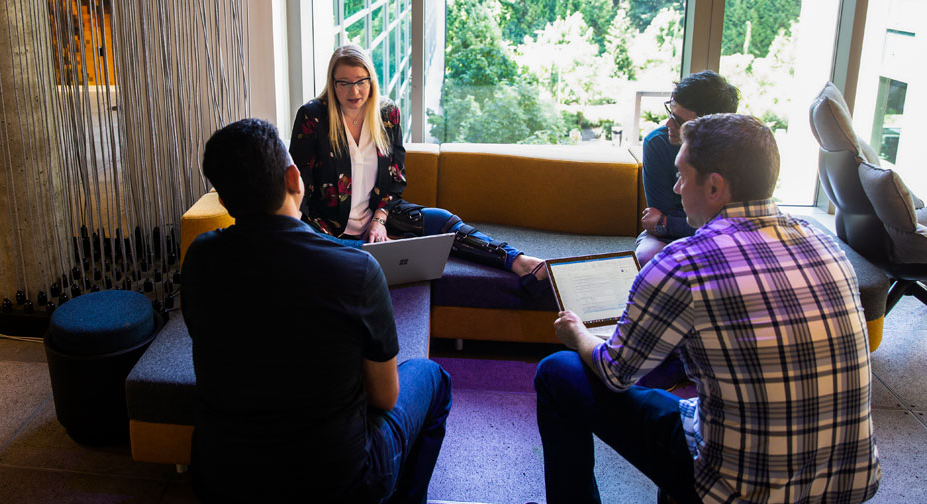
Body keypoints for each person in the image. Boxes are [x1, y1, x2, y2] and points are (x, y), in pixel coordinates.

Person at [535, 114, 880, 504]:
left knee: (557, 372)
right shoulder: (825, 244)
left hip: (741, 491)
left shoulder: (683, 263)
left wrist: (578, 332)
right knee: (692, 408)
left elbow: (617, 373)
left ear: (714, 186)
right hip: (849, 482)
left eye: (682, 176)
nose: (676, 187)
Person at [182, 118, 452, 503]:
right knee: (432, 377)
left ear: (224, 200)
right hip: (337, 482)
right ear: (294, 178)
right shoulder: (356, 269)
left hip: (221, 475)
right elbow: (385, 398)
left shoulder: (200, 257)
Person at [289, 44, 548, 291]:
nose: (354, 91)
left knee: (442, 220)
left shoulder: (387, 115)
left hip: (379, 217)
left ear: (371, 80)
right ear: (332, 83)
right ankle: (375, 252)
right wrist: (316, 230)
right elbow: (300, 189)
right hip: (327, 225)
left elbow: (395, 179)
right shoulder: (313, 117)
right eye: (344, 83)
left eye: (361, 81)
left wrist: (379, 221)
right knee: (321, 245)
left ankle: (516, 261)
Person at [636, 71, 739, 266]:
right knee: (648, 256)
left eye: (680, 121)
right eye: (671, 113)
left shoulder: (738, 150)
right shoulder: (657, 144)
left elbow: (736, 222)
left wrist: (668, 222)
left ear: (712, 127)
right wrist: (665, 222)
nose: (668, 124)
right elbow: (656, 215)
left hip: (724, 237)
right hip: (669, 237)